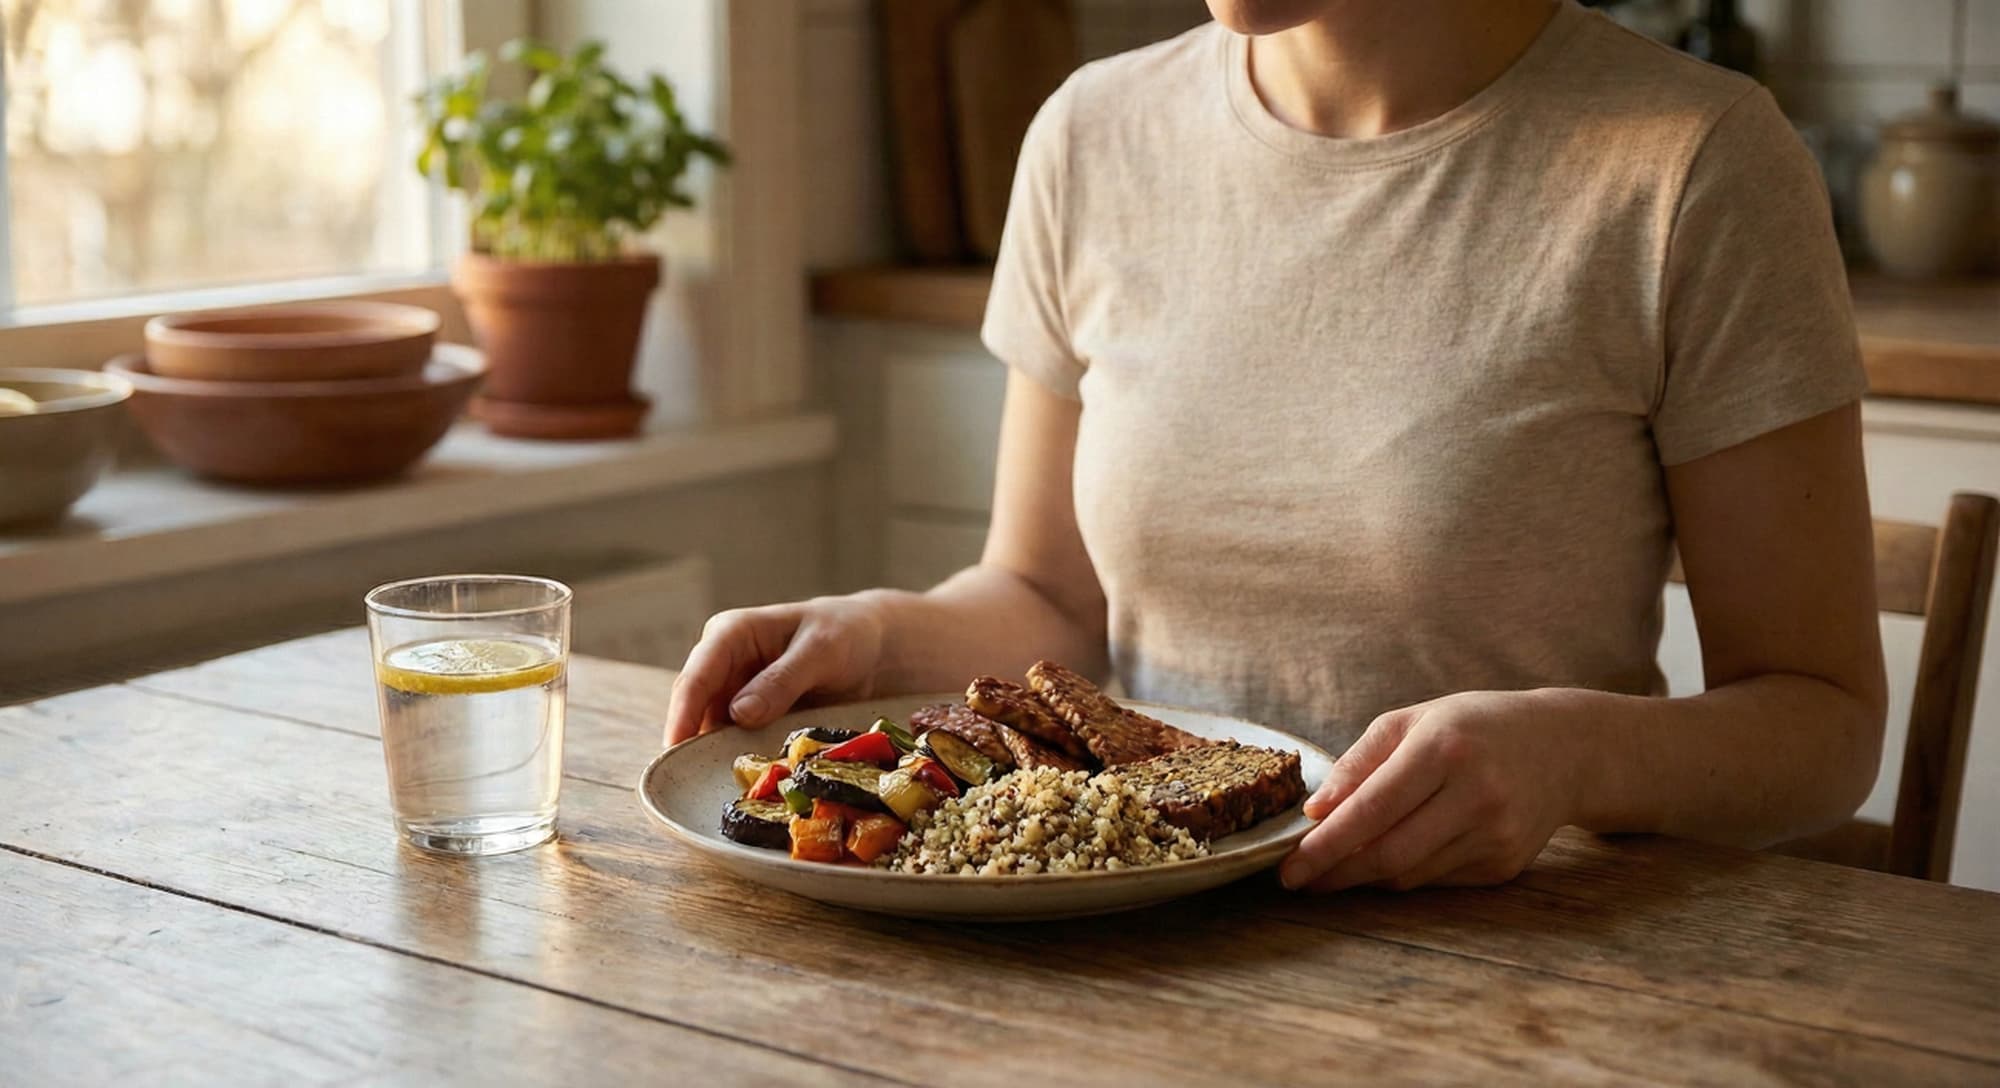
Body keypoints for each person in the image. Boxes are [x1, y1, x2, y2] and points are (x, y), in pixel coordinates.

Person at [666, 0, 1887, 893]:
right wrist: (873, 634)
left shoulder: (1695, 162)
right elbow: (1048, 600)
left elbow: (1821, 727)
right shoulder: (1092, 134)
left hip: (1525, 953)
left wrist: (1573, 755)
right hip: (1128, 946)